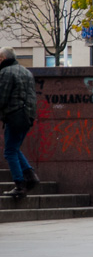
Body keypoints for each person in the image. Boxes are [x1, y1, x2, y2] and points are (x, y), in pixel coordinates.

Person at [0, 47, 39, 198]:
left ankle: (20, 184)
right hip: (27, 116)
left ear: (3, 59)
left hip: (14, 116)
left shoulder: (5, 72)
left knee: (9, 151)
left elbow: (1, 98)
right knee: (14, 148)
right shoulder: (25, 71)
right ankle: (31, 176)